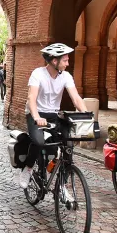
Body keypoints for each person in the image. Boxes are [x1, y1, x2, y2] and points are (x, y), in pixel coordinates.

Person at [19, 43, 88, 188]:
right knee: (38, 142)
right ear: (54, 61)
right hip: (36, 113)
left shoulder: (66, 76)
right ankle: (28, 168)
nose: (68, 64)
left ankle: (62, 184)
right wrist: (37, 117)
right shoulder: (38, 74)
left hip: (54, 115)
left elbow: (76, 98)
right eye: (65, 60)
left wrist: (87, 116)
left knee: (68, 144)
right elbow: (31, 98)